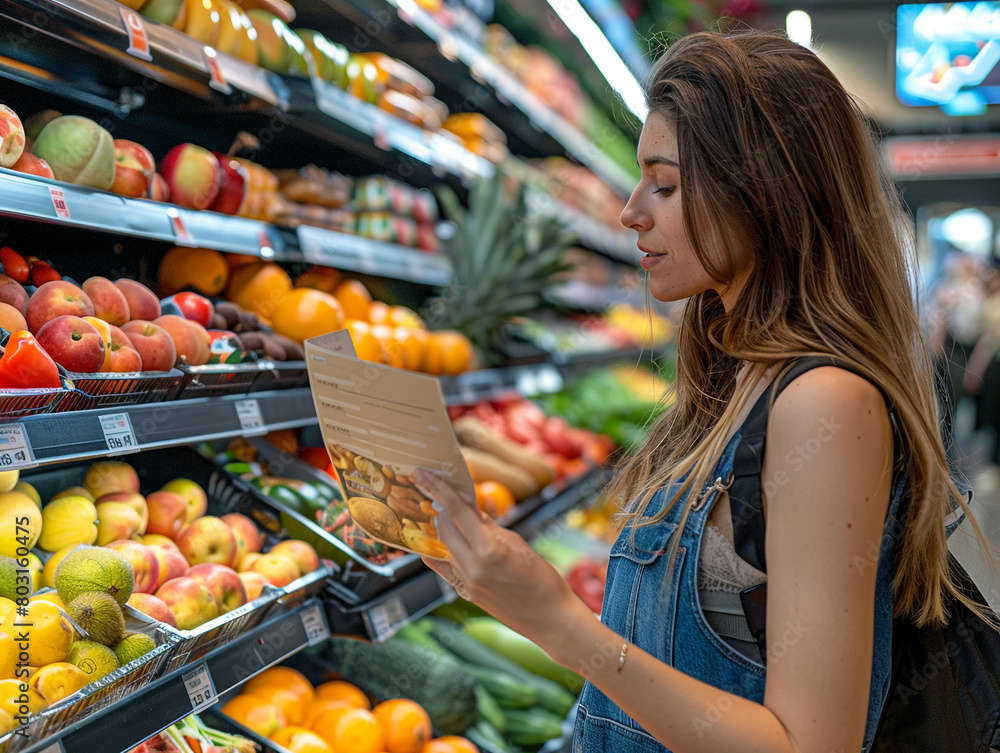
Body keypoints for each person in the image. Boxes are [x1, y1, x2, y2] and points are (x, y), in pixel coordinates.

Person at [412, 29, 995, 753]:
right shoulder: (732, 375)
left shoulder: (826, 404)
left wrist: (560, 623)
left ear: (763, 190)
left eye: (665, 183)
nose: (631, 211)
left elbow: (810, 744)